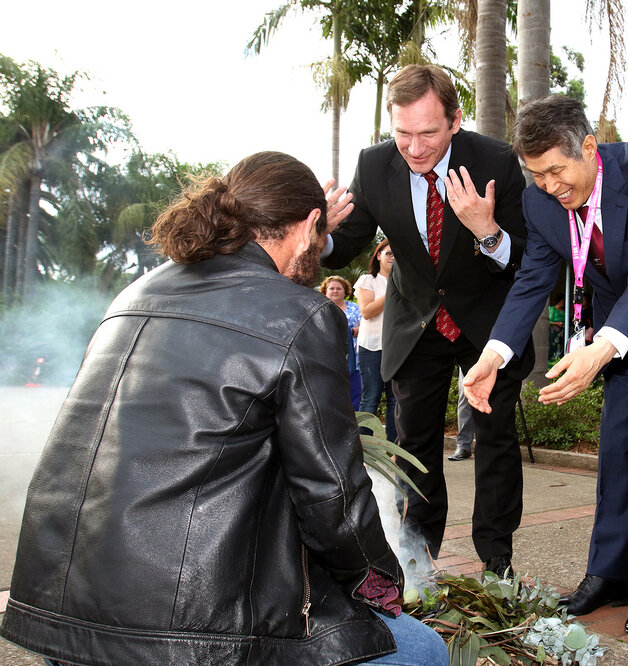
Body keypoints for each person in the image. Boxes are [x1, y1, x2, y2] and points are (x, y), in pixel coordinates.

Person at [0, 152, 448, 665]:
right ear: (307, 229)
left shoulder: (133, 294)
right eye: (317, 236)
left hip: (65, 619)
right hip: (176, 636)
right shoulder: (302, 316)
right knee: (421, 651)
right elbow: (333, 499)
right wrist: (382, 586)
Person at [462, 95, 628, 635]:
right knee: (617, 447)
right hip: (624, 330)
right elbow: (531, 282)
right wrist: (492, 355)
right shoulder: (542, 204)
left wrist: (602, 346)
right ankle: (609, 575)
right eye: (536, 175)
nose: (549, 186)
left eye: (557, 171)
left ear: (588, 147)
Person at [321, 64, 531, 579]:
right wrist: (321, 235)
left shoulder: (496, 162)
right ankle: (418, 558)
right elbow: (346, 245)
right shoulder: (373, 166)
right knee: (415, 448)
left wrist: (488, 231)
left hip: (485, 325)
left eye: (428, 133)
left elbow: (529, 258)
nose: (413, 149)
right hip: (415, 324)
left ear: (455, 120)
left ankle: (497, 560)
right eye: (402, 134)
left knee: (495, 440)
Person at [355, 239, 398, 442]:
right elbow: (367, 311)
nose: (393, 257)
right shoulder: (368, 280)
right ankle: (364, 449)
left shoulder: (406, 281)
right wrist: (393, 289)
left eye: (397, 254)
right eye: (389, 253)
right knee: (370, 398)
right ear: (378, 254)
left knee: (395, 400)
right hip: (371, 347)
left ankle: (393, 450)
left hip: (397, 348)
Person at [321, 274, 362, 409]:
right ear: (325, 291)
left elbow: (365, 326)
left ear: (345, 291)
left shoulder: (355, 308)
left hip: (353, 361)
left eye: (339, 288)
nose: (335, 291)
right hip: (327, 360)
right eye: (331, 288)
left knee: (354, 396)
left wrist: (353, 331)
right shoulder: (320, 308)